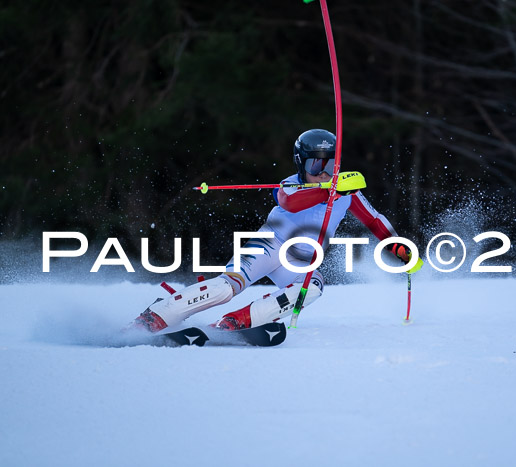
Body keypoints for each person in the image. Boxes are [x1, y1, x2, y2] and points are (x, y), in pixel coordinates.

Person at [129, 129, 422, 333]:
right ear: (301, 164)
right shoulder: (292, 184)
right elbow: (290, 202)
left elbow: (374, 219)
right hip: (268, 246)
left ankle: (236, 322)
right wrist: (328, 191)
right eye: (316, 164)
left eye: (331, 164)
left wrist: (395, 244)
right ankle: (155, 317)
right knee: (225, 287)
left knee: (311, 289)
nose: (324, 172)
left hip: (299, 262)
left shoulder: (348, 192)